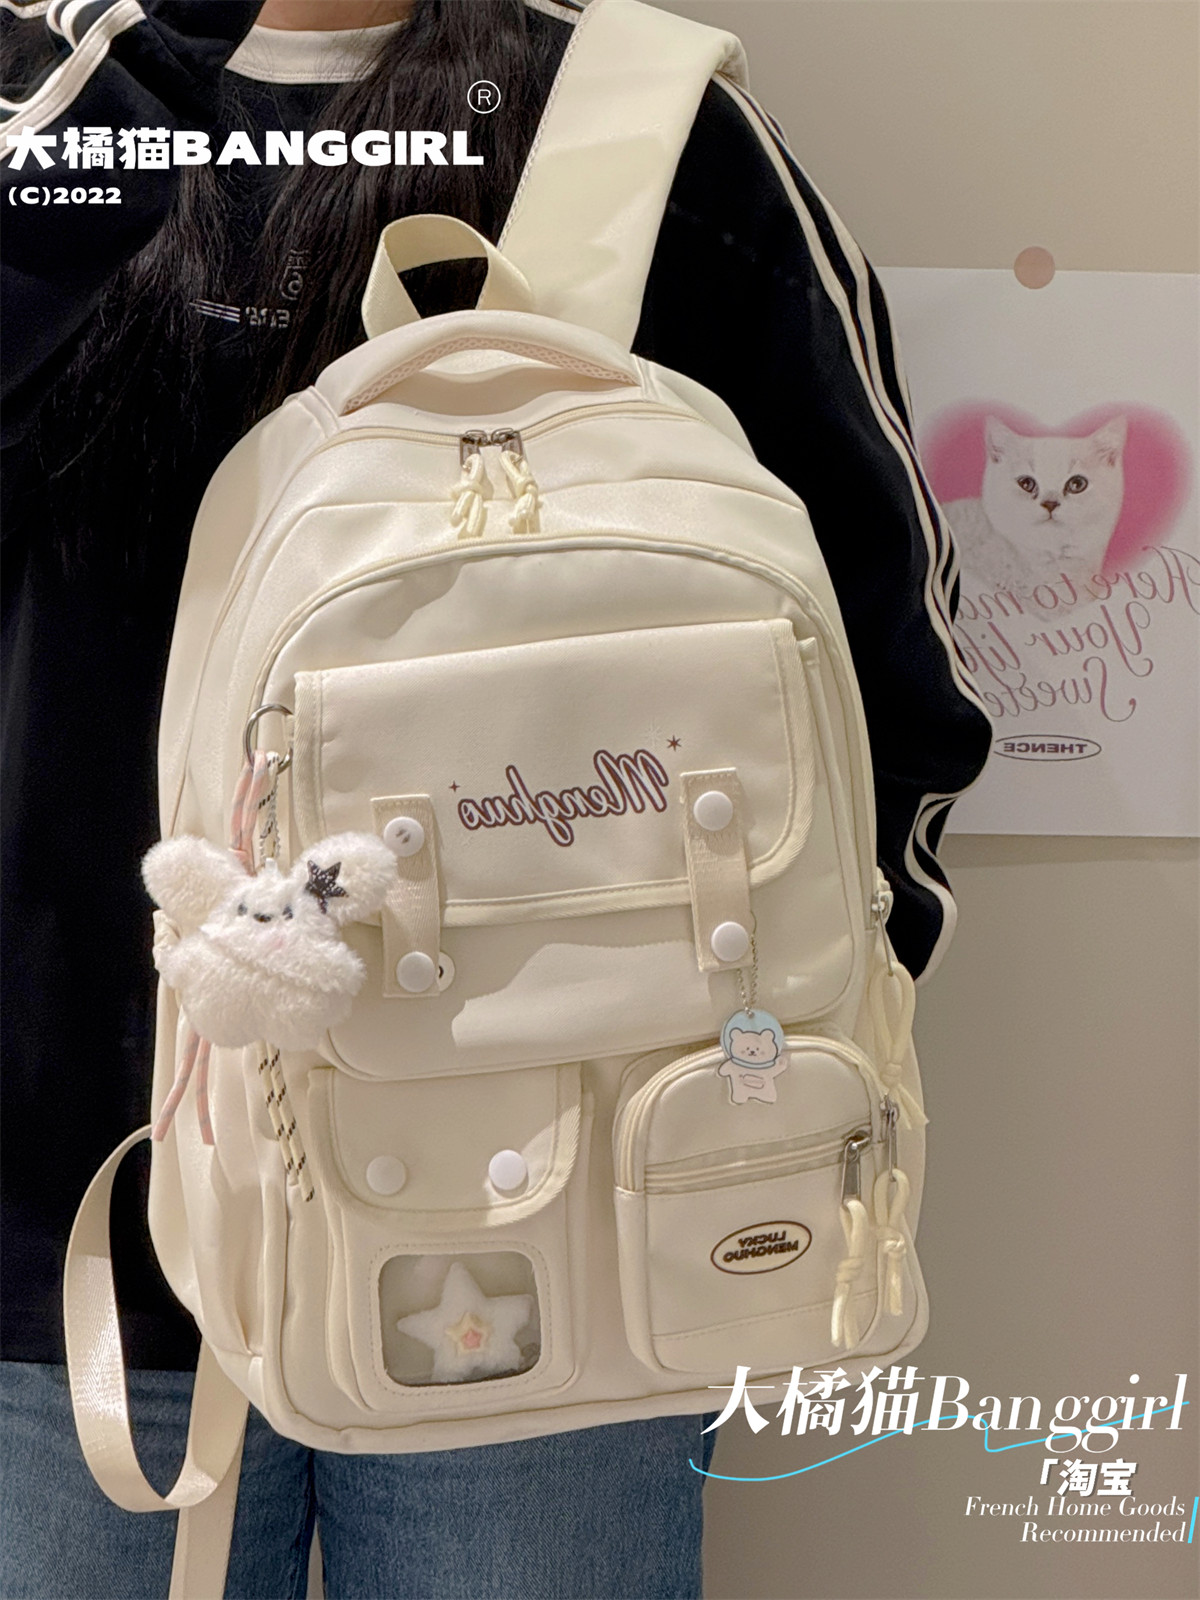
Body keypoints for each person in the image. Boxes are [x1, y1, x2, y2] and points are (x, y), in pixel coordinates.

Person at [0, 1, 992, 1596]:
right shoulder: (45, 106)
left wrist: (758, 1069)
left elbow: (888, 675)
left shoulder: (642, 124)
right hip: (66, 1235)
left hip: (575, 1211)